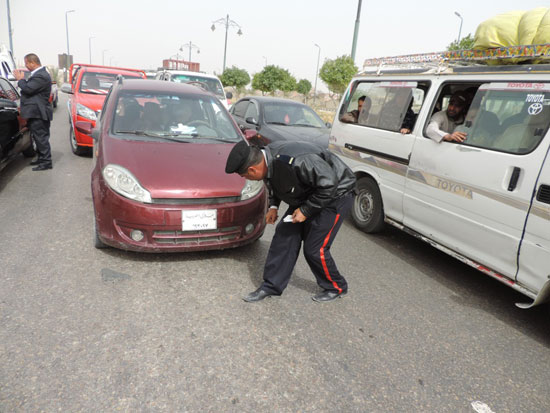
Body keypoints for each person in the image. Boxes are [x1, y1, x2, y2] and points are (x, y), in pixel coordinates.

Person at [225, 140, 356, 303]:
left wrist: (306, 211)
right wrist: (273, 206)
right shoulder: (267, 160)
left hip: (335, 195)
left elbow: (329, 186)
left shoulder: (300, 160)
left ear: (252, 169)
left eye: (245, 176)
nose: (247, 179)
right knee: (284, 237)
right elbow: (273, 180)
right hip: (307, 192)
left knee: (315, 248)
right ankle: (271, 286)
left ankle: (336, 286)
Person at [13, 53, 53, 171]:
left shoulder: (41, 76)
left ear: (32, 63)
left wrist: (20, 80)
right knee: (37, 137)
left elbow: (28, 89)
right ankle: (42, 158)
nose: (26, 66)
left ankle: (46, 161)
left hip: (39, 113)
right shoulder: (38, 74)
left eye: (26, 63)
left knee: (41, 138)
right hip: (35, 112)